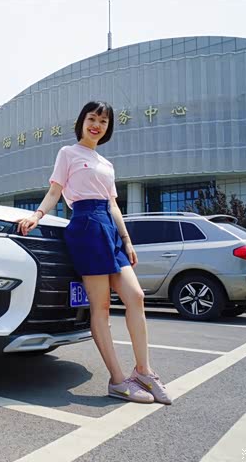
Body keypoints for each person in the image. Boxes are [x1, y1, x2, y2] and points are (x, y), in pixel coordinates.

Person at [16, 101, 172, 405]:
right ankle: (118, 380)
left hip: (109, 229)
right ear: (82, 121)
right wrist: (37, 215)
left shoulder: (106, 163)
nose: (96, 125)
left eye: (103, 121)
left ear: (108, 127)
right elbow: (55, 191)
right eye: (92, 118)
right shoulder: (68, 153)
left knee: (136, 296)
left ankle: (144, 371)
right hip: (86, 225)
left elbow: (113, 204)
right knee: (100, 308)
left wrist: (126, 240)